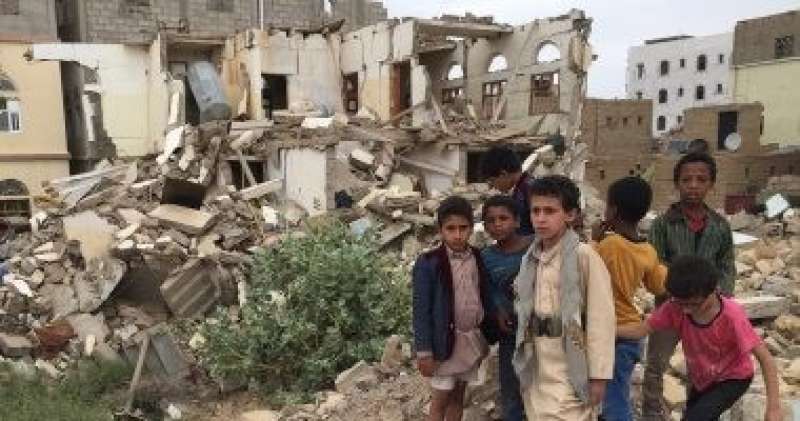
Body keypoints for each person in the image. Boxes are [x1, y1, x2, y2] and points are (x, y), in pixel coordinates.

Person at [618, 255, 780, 421]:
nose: (686, 310)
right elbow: (641, 329)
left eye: (694, 304)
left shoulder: (732, 316)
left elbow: (765, 358)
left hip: (733, 378)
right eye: (681, 303)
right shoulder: (675, 307)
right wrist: (609, 330)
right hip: (702, 380)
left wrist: (773, 408)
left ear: (713, 291)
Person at [512, 175, 615, 420]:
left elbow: (601, 319)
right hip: (539, 362)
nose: (540, 218)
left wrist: (599, 377)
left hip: (571, 364)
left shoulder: (583, 256)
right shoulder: (530, 259)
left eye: (550, 211)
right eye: (535, 211)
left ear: (570, 214)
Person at [642, 152, 736, 419]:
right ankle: (651, 413)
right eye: (686, 180)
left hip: (707, 311)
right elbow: (654, 264)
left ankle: (697, 413)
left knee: (703, 367)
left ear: (711, 184)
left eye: (701, 180)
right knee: (656, 364)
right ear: (677, 183)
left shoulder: (720, 226)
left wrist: (720, 297)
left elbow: (726, 265)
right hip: (670, 307)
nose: (693, 185)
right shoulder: (663, 224)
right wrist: (676, 293)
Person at [590, 177, 667, 421]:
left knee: (613, 403)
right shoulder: (647, 250)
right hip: (631, 331)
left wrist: (594, 239)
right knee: (616, 394)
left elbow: (586, 273)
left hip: (612, 333)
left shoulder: (609, 245)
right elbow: (658, 286)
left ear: (612, 210)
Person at [413, 196, 496, 421]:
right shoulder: (429, 263)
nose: (457, 235)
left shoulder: (477, 257)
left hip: (470, 341)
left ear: (471, 228)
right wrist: (424, 352)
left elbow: (483, 294)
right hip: (444, 344)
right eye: (450, 228)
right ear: (440, 230)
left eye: (463, 228)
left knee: (459, 397)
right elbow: (421, 311)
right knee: (440, 401)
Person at [481, 195, 534, 421]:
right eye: (491, 221)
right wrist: (498, 311)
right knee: (511, 393)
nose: (498, 224)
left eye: (504, 218)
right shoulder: (486, 257)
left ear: (517, 221)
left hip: (542, 331)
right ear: (485, 226)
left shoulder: (536, 246)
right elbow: (489, 290)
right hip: (510, 334)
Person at [480, 146, 535, 235]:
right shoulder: (521, 190)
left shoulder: (529, 191)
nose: (492, 187)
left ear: (503, 174)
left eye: (492, 181)